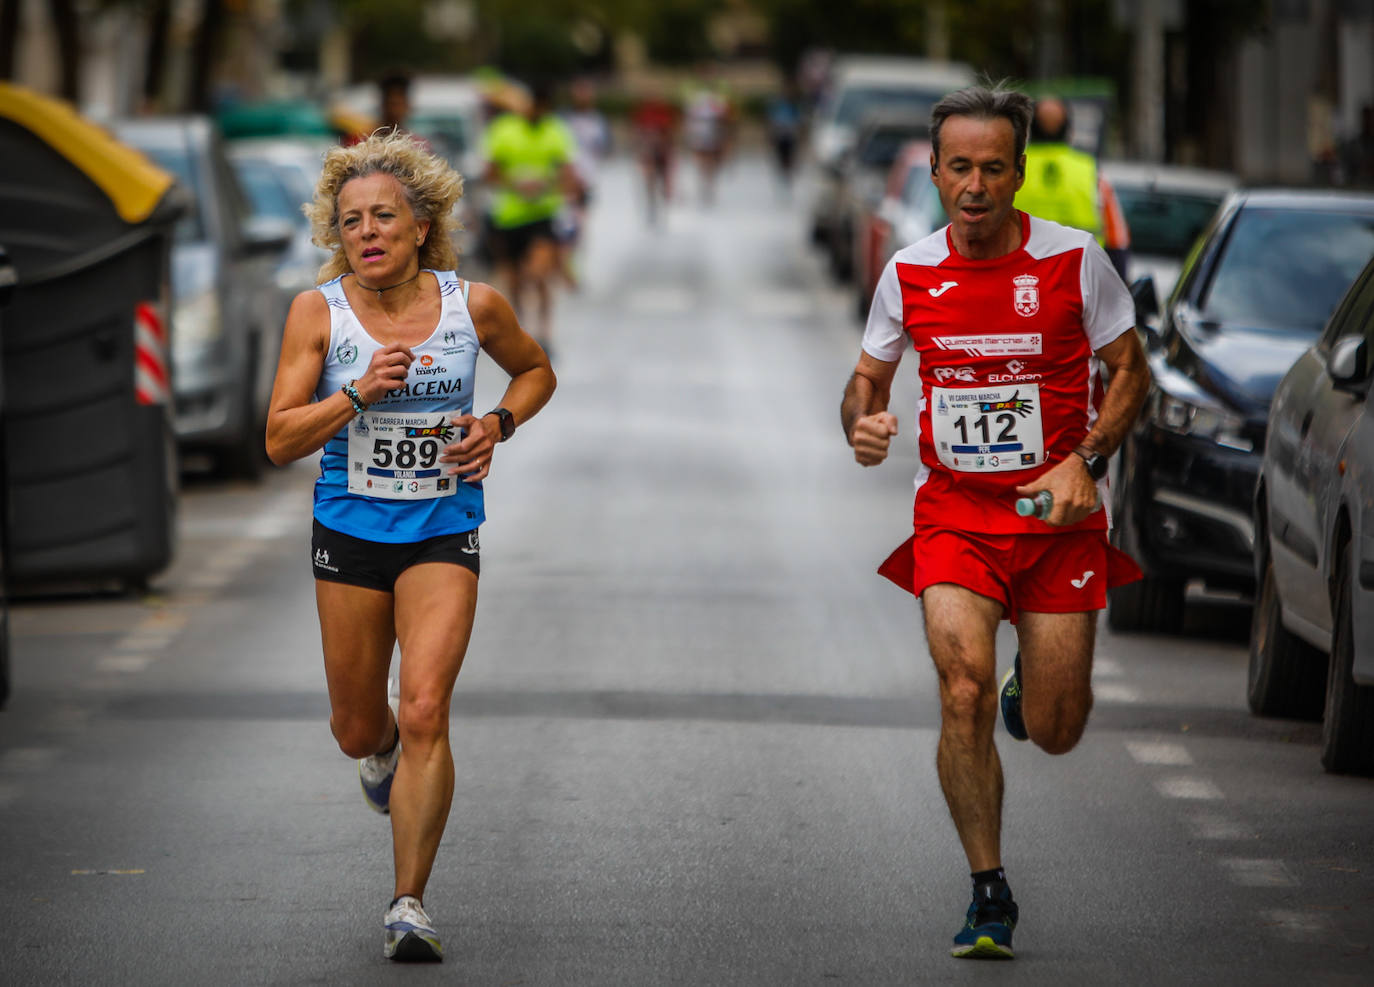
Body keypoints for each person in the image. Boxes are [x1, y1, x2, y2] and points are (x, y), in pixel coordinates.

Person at [840, 84, 1150, 960]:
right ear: (935, 171)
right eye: (959, 167)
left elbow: (1131, 371)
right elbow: (864, 381)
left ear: (1018, 174)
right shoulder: (908, 272)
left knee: (1057, 728)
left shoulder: (1076, 261)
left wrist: (1085, 461)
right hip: (957, 517)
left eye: (993, 168)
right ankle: (988, 889)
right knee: (961, 688)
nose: (975, 185)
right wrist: (860, 420)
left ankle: (1035, 689)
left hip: (1058, 520)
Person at [265, 131, 556, 962]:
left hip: (441, 528)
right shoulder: (316, 313)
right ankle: (379, 752)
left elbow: (536, 371)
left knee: (427, 705)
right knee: (359, 725)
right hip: (350, 530)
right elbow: (280, 438)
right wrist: (356, 394)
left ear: (421, 225)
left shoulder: (476, 307)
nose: (367, 232)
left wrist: (497, 422)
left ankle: (408, 902)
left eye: (384, 216)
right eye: (350, 220)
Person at [480, 79, 579, 353]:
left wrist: (547, 186)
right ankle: (519, 333)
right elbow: (489, 173)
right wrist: (516, 184)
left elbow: (568, 176)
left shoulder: (555, 131)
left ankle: (545, 333)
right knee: (514, 280)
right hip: (509, 217)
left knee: (539, 274)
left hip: (542, 216)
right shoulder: (503, 130)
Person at [1016, 96, 1131, 280]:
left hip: (1021, 281)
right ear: (1069, 129)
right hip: (1080, 283)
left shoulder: (1010, 169)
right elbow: (1117, 241)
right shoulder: (1091, 172)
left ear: (1031, 129)